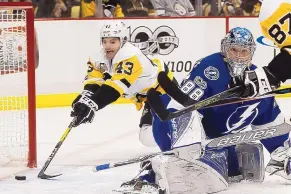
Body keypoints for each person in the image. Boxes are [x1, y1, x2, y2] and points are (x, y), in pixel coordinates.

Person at [118, 27, 291, 194]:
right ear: (225, 49)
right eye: (234, 50)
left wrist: (284, 157)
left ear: (251, 53)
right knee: (154, 140)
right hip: (178, 126)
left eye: (244, 51)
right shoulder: (210, 69)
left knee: (228, 173)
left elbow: (270, 124)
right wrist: (184, 144)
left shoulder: (259, 82)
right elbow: (182, 107)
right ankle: (152, 169)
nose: (238, 57)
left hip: (215, 139)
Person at [70, 21, 174, 148]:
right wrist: (84, 99)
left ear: (123, 41)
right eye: (105, 41)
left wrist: (92, 104)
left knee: (152, 134)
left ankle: (184, 141)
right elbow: (94, 81)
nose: (107, 46)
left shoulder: (130, 56)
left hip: (164, 90)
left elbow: (114, 89)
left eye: (113, 42)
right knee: (147, 137)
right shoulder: (98, 58)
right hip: (149, 97)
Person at [239, 0, 291, 98]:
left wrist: (272, 73)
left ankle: (267, 78)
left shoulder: (270, 8)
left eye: (251, 9)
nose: (253, 13)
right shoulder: (265, 16)